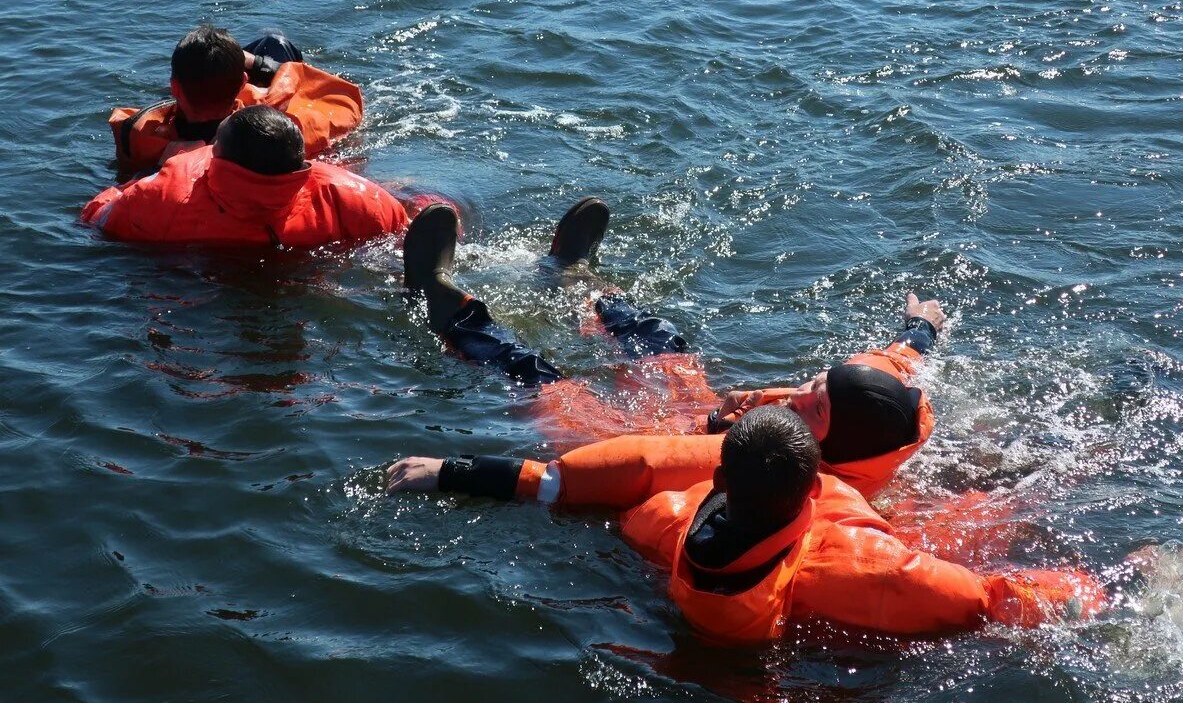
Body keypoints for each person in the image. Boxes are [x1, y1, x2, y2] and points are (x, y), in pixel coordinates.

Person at [385, 406, 1106, 645]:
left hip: (715, 626)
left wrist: (451, 472)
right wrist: (1110, 586)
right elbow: (1002, 601)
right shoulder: (874, 569)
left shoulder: (664, 522)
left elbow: (566, 481)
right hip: (820, 631)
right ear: (815, 486)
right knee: (1003, 496)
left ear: (721, 479)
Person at [404, 198, 942, 500]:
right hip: (703, 415)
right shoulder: (883, 419)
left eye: (816, 406)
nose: (798, 395)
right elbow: (884, 370)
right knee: (664, 345)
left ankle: (448, 309)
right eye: (814, 384)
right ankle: (580, 282)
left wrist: (450, 473)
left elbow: (581, 477)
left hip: (632, 439)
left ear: (834, 444)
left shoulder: (780, 471)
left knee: (541, 378)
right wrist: (919, 331)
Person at [82, 105, 407, 248]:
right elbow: (405, 232)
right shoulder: (350, 195)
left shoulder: (165, 195)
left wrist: (145, 175)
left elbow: (96, 216)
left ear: (221, 159)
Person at [110, 26, 363, 173]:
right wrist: (257, 63)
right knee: (275, 43)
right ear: (243, 83)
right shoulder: (283, 131)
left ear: (174, 87)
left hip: (185, 114)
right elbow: (338, 94)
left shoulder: (140, 139)